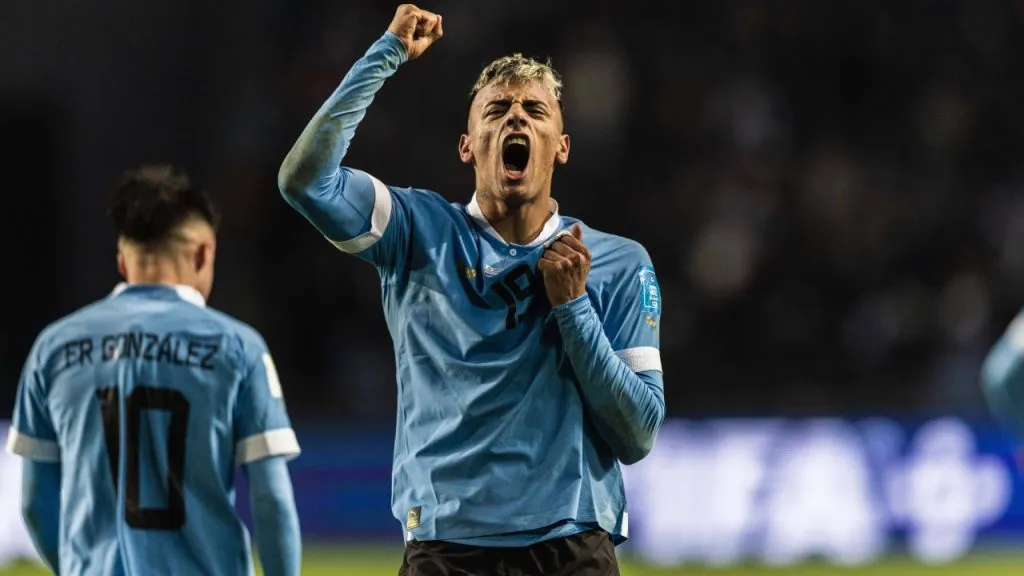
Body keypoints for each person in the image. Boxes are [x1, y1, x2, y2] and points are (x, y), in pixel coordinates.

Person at [279, 4, 665, 574]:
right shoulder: (416, 231)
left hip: (572, 545)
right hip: (446, 547)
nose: (516, 119)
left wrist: (574, 308)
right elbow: (304, 181)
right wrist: (385, 54)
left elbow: (637, 434)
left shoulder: (614, 261)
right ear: (467, 145)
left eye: (535, 110)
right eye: (498, 110)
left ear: (561, 145)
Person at [5, 165, 302, 576]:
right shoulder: (237, 348)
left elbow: (35, 503)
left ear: (122, 262)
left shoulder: (53, 348)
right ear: (204, 253)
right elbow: (272, 499)